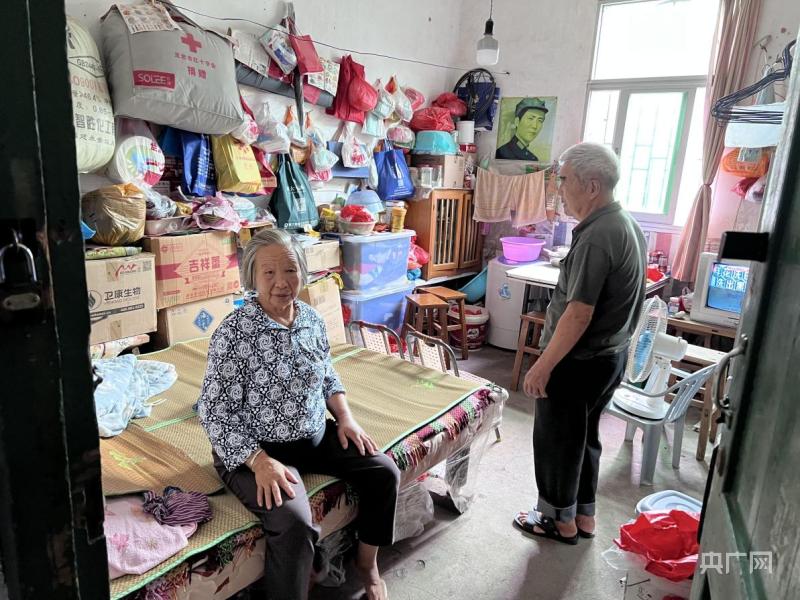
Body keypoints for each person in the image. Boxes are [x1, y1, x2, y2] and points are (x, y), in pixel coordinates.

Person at [198, 229, 399, 599]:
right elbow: (214, 410)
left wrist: (346, 418)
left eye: (290, 270)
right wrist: (259, 462)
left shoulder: (310, 318)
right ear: (252, 279)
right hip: (254, 451)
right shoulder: (234, 332)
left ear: (302, 273)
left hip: (314, 436)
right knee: (292, 523)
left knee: (383, 472)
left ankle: (366, 566)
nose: (281, 283)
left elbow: (326, 373)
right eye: (268, 273)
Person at [513, 142, 646, 544]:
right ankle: (583, 517)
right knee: (584, 438)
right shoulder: (625, 223)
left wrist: (542, 365)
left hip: (579, 361)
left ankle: (557, 521)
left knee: (557, 441)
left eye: (565, 181)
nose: (560, 189)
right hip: (608, 357)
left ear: (591, 186)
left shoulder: (598, 235)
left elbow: (579, 313)